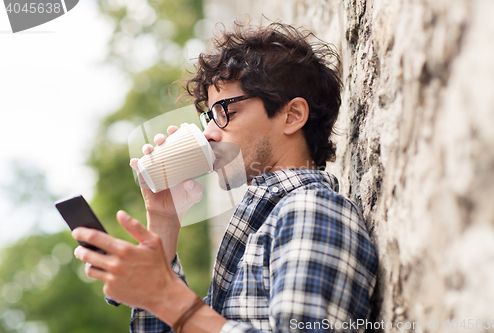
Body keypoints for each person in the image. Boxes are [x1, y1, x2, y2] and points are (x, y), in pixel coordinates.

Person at [72, 22, 378, 333]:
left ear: (292, 116)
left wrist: (167, 298)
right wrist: (165, 221)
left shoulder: (311, 211)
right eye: (209, 116)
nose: (208, 132)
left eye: (224, 111)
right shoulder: (267, 222)